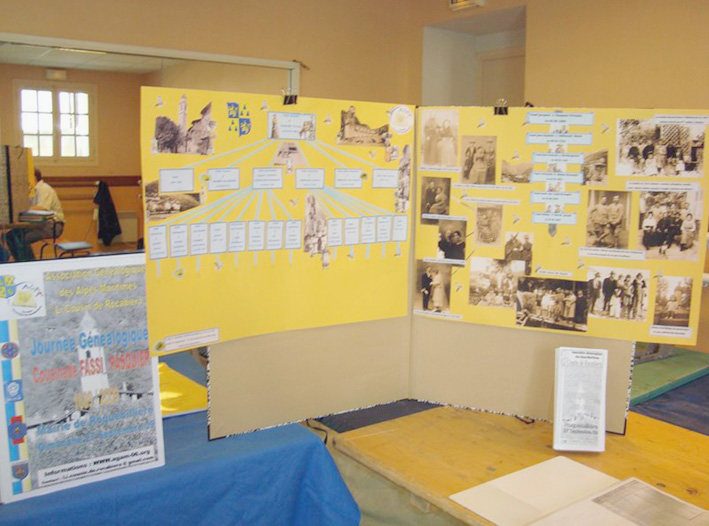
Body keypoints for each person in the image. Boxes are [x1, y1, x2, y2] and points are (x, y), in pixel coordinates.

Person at [7, 168, 65, 261]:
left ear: (34, 177)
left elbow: (42, 207)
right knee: (10, 235)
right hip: (39, 225)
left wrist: (21, 209)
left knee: (22, 238)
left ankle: (29, 262)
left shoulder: (44, 189)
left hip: (52, 226)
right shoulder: (32, 190)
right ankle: (20, 261)